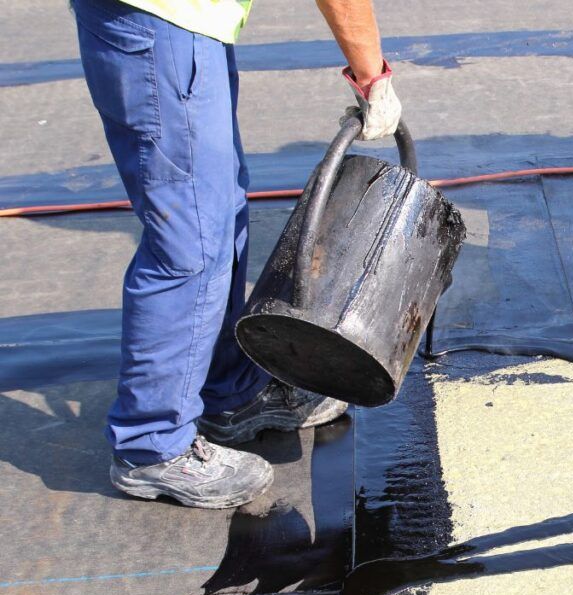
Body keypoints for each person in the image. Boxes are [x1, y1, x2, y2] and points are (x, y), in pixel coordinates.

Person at [71, 0, 402, 508]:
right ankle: (152, 444)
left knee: (219, 213)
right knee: (189, 242)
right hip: (158, 22)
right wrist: (372, 77)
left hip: (182, 24)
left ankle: (229, 391)